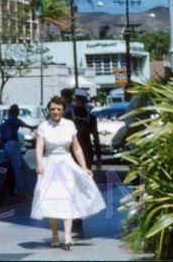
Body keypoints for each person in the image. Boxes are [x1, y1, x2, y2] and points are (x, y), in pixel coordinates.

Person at [30, 96, 105, 250]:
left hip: (67, 164)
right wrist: (39, 164)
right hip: (50, 164)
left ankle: (68, 235)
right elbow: (39, 148)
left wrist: (84, 167)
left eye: (58, 109)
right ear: (49, 110)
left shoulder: (69, 125)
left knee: (68, 199)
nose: (55, 112)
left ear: (63, 110)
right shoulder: (43, 126)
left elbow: (76, 148)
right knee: (49, 200)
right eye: (52, 109)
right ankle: (55, 233)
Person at [65, 89, 101, 238]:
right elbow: (95, 137)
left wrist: (99, 156)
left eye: (80, 100)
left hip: (81, 154)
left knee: (78, 185)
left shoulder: (73, 115)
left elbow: (95, 136)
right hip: (78, 154)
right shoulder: (86, 116)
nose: (79, 103)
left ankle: (77, 213)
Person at [0, 104, 34, 199]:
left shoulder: (6, 121)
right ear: (17, 112)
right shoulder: (14, 119)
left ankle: (29, 190)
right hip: (12, 144)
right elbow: (29, 126)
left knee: (25, 169)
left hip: (7, 145)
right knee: (18, 170)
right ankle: (22, 192)